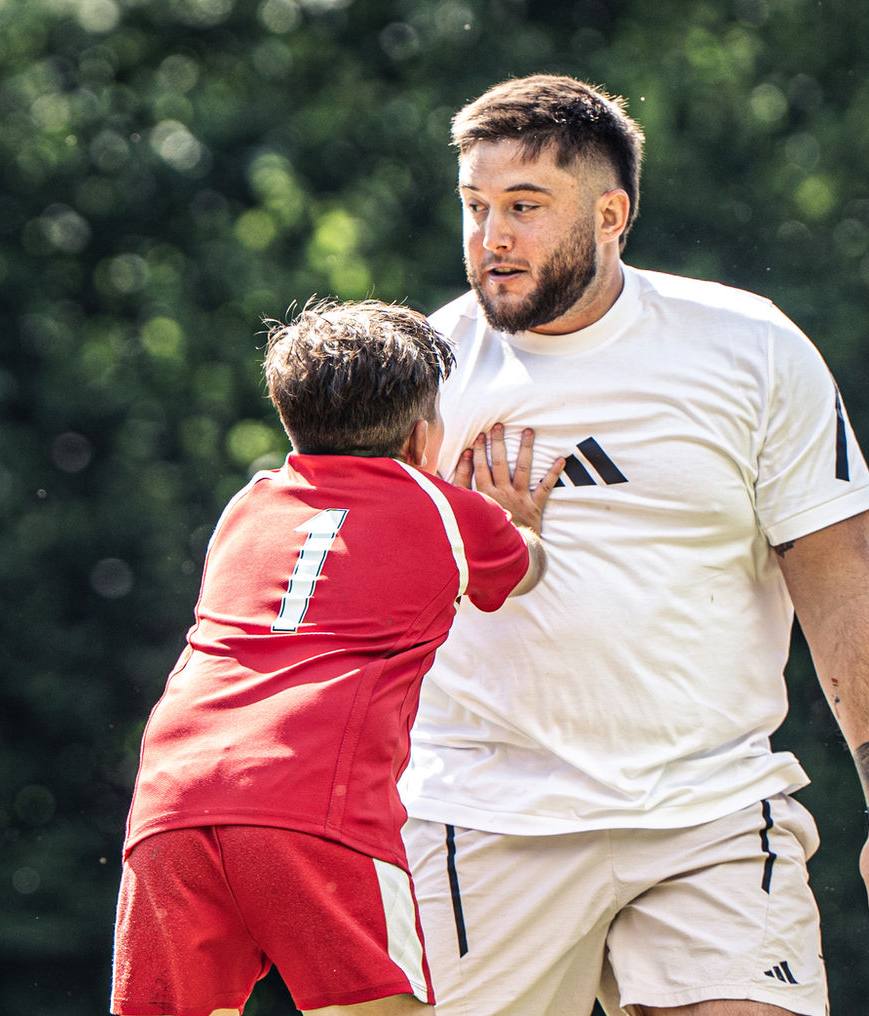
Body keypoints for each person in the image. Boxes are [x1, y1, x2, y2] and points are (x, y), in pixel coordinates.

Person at [399, 75, 869, 1016]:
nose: (491, 238)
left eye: (525, 207)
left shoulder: (753, 348)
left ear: (611, 213)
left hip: (711, 810)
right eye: (475, 206)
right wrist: (451, 538)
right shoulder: (427, 372)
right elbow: (338, 597)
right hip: (485, 813)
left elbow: (843, 587)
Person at [111, 299, 563, 1016]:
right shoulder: (444, 509)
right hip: (313, 807)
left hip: (172, 804)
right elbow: (523, 570)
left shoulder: (247, 505)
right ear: (422, 438)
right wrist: (519, 523)